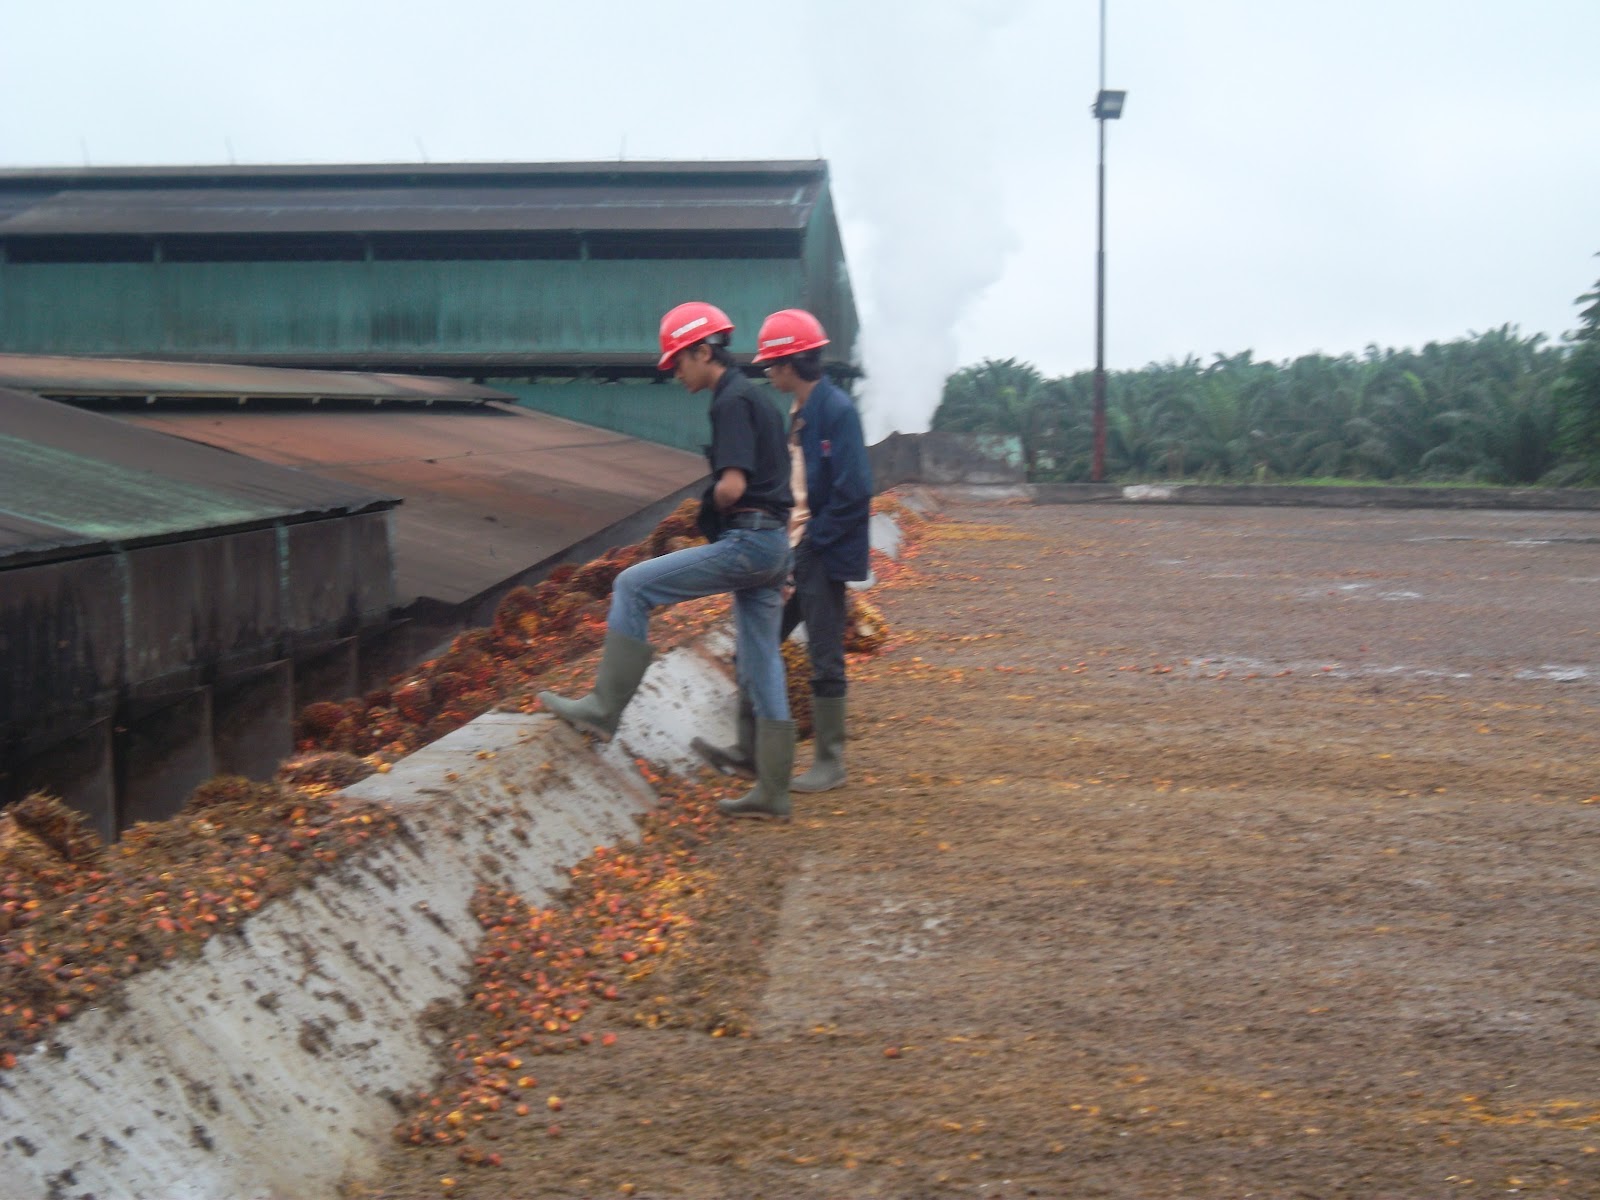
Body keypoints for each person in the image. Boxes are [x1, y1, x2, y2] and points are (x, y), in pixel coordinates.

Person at [538, 302, 796, 818]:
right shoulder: (762, 399)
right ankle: (773, 792)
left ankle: (603, 708)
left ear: (704, 351)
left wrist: (711, 507)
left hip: (748, 542)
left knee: (633, 586)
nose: (676, 373)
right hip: (775, 546)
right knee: (763, 661)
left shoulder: (729, 401)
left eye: (679, 362)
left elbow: (733, 485)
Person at [693, 309, 872, 792]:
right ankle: (749, 751)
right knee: (758, 648)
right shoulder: (797, 413)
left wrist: (814, 545)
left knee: (825, 651)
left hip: (820, 552)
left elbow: (855, 491)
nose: (768, 373)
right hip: (789, 548)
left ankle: (830, 761)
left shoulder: (837, 411)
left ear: (792, 364)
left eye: (772, 365)